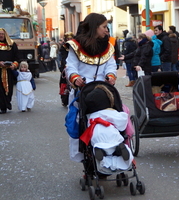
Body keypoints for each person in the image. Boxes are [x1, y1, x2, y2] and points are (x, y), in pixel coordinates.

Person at [65, 13, 117, 162]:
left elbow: (111, 65)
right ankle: (85, 158)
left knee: (107, 120)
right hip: (82, 91)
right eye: (104, 27)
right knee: (80, 123)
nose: (107, 30)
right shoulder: (76, 45)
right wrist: (75, 78)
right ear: (95, 27)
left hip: (103, 91)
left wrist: (111, 76)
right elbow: (71, 66)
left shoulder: (108, 46)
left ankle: (112, 148)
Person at [80, 84, 133, 171]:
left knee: (96, 145)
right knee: (116, 142)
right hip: (111, 133)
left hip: (97, 136)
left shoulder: (91, 116)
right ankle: (119, 149)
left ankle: (101, 152)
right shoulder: (110, 112)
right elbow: (121, 122)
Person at [0, 28, 19, 114]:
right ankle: (2, 107)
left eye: (2, 34)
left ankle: (7, 104)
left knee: (9, 90)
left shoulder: (12, 44)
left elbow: (17, 57)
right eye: (0, 34)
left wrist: (14, 65)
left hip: (9, 72)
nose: (1, 35)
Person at [59, 32, 74, 107]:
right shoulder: (63, 47)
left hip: (73, 65)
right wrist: (65, 65)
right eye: (68, 38)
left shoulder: (75, 46)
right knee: (64, 83)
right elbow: (63, 57)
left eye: (71, 38)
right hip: (65, 66)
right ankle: (64, 99)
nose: (69, 40)